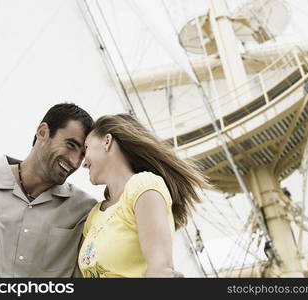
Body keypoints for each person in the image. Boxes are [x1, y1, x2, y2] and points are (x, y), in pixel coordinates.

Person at [0, 103, 97, 277]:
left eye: (82, 155)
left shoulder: (84, 211)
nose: (74, 162)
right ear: (42, 132)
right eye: (71, 145)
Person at [78, 114, 210, 277]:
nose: (83, 163)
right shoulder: (95, 215)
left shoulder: (143, 186)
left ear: (107, 141)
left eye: (86, 148)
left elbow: (160, 269)